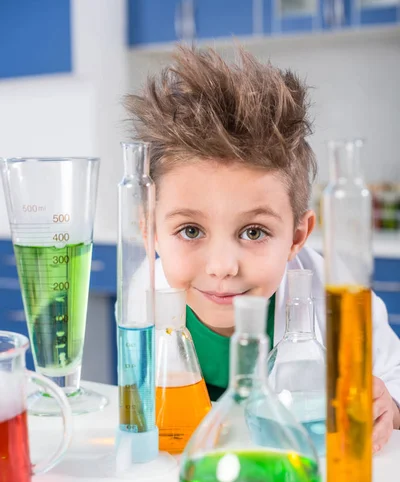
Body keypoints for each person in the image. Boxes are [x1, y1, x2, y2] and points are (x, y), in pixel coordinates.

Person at [125, 45, 400, 452]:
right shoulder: (140, 301)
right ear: (149, 232)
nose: (221, 267)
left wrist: (388, 405)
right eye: (190, 230)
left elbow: (394, 382)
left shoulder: (335, 297)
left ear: (296, 237)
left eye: (253, 232)